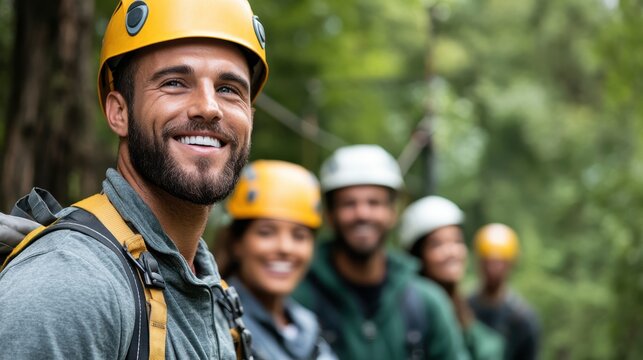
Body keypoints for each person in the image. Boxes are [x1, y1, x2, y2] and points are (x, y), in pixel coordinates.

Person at [0, 0, 268, 358]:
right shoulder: (73, 284)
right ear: (119, 111)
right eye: (175, 83)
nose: (209, 107)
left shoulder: (211, 291)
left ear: (249, 115)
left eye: (229, 89)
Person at [294, 144, 469, 360]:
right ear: (330, 215)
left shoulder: (427, 304)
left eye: (374, 202)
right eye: (349, 203)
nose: (362, 214)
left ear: (393, 212)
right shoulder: (298, 297)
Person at [215, 160, 337, 360]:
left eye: (299, 236)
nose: (285, 248)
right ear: (237, 243)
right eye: (266, 232)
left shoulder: (308, 328)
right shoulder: (213, 324)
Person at [399, 195, 505, 360]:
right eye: (437, 244)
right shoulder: (407, 308)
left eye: (457, 241)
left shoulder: (462, 307)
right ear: (418, 253)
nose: (452, 252)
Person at [468, 223, 540, 360]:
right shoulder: (464, 309)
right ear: (479, 262)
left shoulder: (522, 318)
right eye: (488, 261)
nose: (493, 269)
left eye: (499, 262)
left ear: (511, 263)